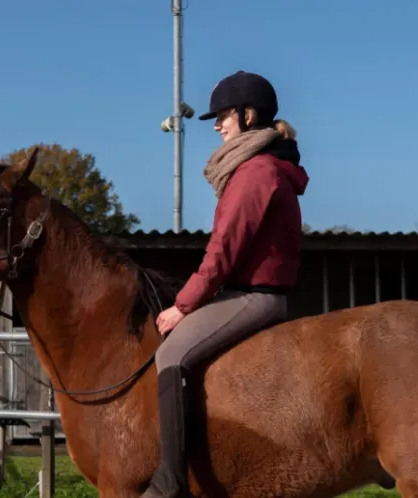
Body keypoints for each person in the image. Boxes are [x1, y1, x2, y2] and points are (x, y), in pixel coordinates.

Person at [141, 71, 310, 498]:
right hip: (248, 293)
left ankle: (169, 483)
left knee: (171, 354)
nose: (217, 125)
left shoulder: (255, 171)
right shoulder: (263, 167)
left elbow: (223, 251)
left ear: (248, 115)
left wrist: (183, 306)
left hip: (254, 296)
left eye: (223, 116)